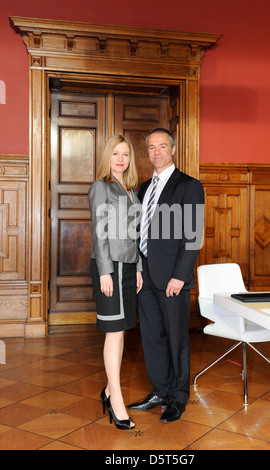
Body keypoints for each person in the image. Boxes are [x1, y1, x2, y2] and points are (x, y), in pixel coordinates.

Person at [128, 128, 204, 423]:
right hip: (144, 275)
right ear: (146, 152)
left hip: (172, 276)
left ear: (172, 149)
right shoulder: (143, 188)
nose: (156, 152)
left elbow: (192, 235)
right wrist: (136, 269)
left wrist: (180, 276)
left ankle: (177, 397)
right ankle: (159, 390)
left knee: (176, 338)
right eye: (150, 148)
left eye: (162, 146)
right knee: (151, 336)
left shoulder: (188, 185)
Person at [88, 135, 142, 430]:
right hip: (108, 268)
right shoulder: (101, 187)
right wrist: (106, 272)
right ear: (107, 157)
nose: (120, 159)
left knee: (121, 332)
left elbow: (137, 236)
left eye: (125, 154)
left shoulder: (132, 192)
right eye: (115, 154)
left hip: (128, 267)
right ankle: (116, 399)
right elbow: (99, 233)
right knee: (114, 332)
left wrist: (139, 269)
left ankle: (110, 389)